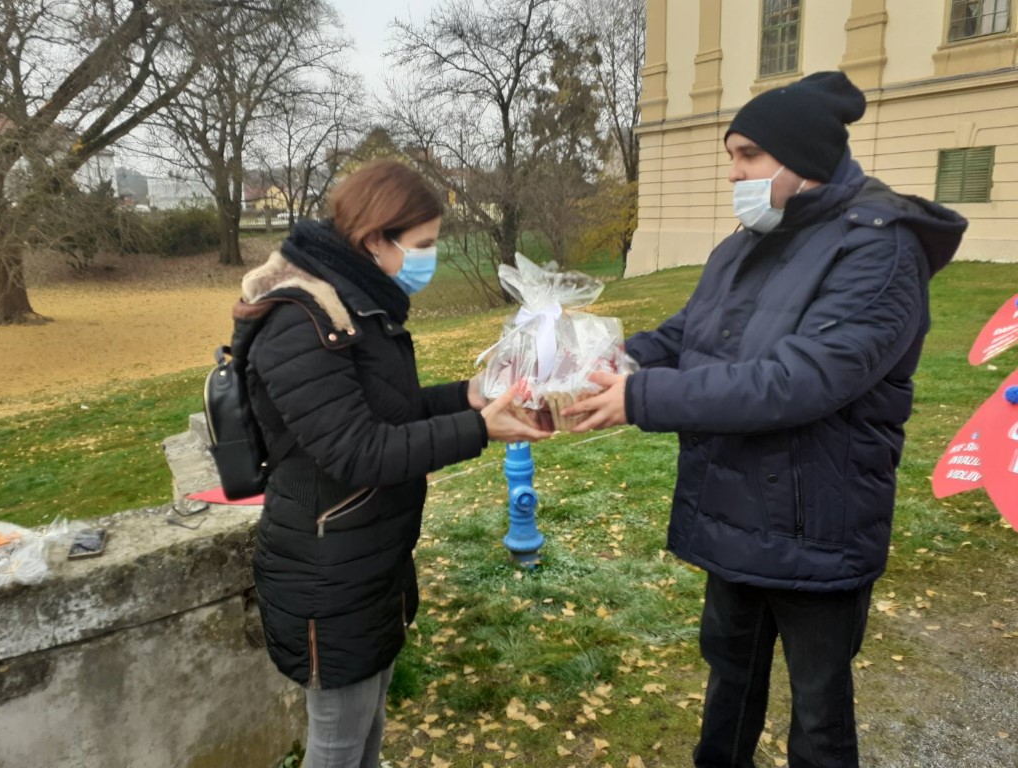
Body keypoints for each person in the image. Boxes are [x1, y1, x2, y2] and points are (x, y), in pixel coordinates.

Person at [563, 71, 967, 767]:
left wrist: (640, 399)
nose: (733, 174)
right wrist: (600, 358)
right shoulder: (745, 244)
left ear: (803, 159)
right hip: (736, 509)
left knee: (818, 714)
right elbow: (686, 335)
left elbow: (799, 382)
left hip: (818, 524)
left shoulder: (880, 249)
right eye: (731, 156)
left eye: (747, 155)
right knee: (730, 679)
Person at [237, 159, 550, 768]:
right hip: (327, 575)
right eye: (423, 244)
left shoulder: (357, 307)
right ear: (375, 239)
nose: (430, 257)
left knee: (368, 726)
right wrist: (479, 429)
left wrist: (469, 395)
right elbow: (357, 450)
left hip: (368, 559)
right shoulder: (301, 321)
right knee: (337, 744)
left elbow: (391, 413)